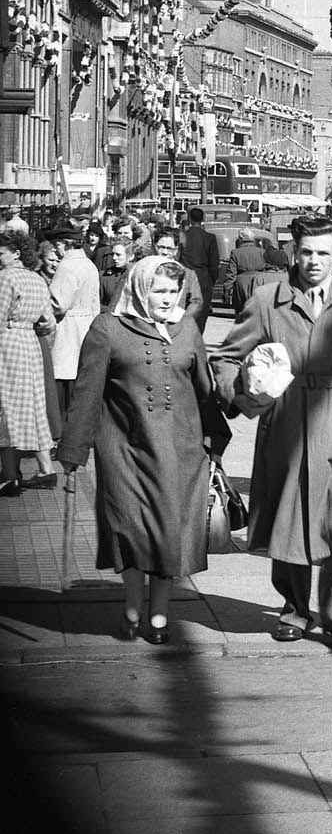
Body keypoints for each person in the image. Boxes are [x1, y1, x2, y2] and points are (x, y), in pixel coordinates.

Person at [213, 214, 332, 653]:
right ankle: (294, 608)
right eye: (306, 252)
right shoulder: (265, 301)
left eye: (323, 253)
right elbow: (225, 358)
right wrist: (245, 394)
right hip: (288, 420)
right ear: (294, 252)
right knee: (290, 521)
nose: (314, 261)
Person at [55, 257, 229, 644]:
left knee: (170, 533)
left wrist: (216, 439)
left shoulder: (187, 330)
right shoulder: (108, 329)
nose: (168, 299)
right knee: (131, 530)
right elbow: (87, 394)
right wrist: (72, 450)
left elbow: (204, 393)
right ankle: (133, 604)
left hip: (180, 451)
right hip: (124, 450)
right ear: (139, 288)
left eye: (173, 290)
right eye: (159, 290)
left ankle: (160, 614)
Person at [0, 230, 58, 495]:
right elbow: (48, 321)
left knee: (7, 406)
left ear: (16, 253)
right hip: (31, 344)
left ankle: (10, 475)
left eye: (2, 251)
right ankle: (46, 469)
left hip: (8, 343)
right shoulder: (37, 279)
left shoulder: (6, 278)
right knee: (34, 405)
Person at [47, 227, 103, 415]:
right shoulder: (89, 265)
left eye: (57, 246)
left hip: (67, 328)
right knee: (79, 376)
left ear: (64, 244)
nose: (56, 251)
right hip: (87, 324)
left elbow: (59, 303)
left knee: (63, 375)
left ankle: (60, 426)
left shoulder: (67, 266)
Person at [147, 229, 205, 326]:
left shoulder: (188, 274)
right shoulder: (144, 269)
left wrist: (183, 321)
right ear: (154, 246)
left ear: (176, 250)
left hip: (173, 326)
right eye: (161, 247)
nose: (165, 252)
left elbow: (196, 302)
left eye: (169, 248)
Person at [179, 206, 222, 330]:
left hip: (185, 276)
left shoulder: (182, 236)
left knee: (182, 311)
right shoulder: (210, 238)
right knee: (201, 314)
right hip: (203, 278)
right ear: (203, 219)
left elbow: (178, 257)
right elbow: (214, 263)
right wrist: (212, 280)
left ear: (189, 219)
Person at [97, 240, 133, 311]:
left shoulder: (137, 276)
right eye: (113, 254)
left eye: (118, 255)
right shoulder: (104, 276)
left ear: (131, 256)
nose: (114, 258)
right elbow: (96, 302)